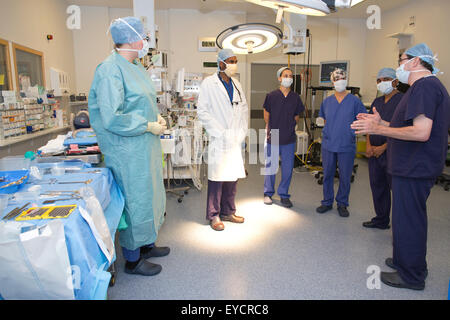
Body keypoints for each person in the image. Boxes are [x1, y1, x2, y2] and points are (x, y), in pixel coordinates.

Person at [351, 43, 450, 290]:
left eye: (401, 60)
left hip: (415, 167)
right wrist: (382, 120)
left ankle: (412, 276)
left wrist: (378, 129)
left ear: (415, 62)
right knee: (406, 218)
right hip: (412, 166)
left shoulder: (425, 87)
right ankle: (405, 261)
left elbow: (421, 132)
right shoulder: (421, 89)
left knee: (409, 220)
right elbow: (406, 126)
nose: (399, 66)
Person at [88, 17, 169, 276]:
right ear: (134, 39)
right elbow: (112, 116)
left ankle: (146, 245)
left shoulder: (136, 66)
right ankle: (133, 260)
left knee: (150, 195)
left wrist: (155, 118)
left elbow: (142, 103)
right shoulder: (110, 69)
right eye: (145, 37)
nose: (147, 41)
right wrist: (146, 125)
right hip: (127, 149)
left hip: (144, 146)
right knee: (135, 200)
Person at [197, 48, 248, 231]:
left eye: (235, 61)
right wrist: (219, 132)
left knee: (232, 178)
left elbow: (243, 109)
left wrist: (242, 132)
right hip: (219, 139)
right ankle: (214, 215)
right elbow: (202, 111)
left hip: (234, 139)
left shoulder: (236, 84)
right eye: (231, 61)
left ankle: (228, 211)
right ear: (221, 63)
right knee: (217, 179)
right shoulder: (209, 84)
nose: (234, 64)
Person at [316, 68, 367, 217]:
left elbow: (363, 119)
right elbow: (324, 121)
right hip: (329, 144)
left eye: (343, 77)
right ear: (332, 82)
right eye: (337, 78)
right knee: (328, 175)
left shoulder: (354, 101)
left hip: (346, 144)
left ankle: (342, 203)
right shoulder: (327, 102)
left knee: (345, 176)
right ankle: (327, 202)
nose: (340, 80)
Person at [362, 68, 403, 230]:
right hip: (374, 153)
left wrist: (384, 147)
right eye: (378, 80)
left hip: (393, 153)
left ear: (395, 81)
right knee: (378, 186)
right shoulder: (377, 103)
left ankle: (401, 226)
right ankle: (381, 219)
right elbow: (369, 125)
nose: (381, 83)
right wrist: (369, 145)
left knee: (398, 191)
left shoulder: (403, 101)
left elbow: (403, 129)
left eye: (385, 79)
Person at [263, 67, 305, 208]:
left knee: (287, 169)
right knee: (271, 167)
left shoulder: (295, 97)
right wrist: (270, 128)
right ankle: (268, 193)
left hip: (289, 137)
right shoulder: (271, 96)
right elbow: (266, 114)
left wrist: (290, 125)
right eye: (285, 75)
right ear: (279, 78)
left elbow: (297, 116)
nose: (288, 78)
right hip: (274, 134)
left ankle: (284, 194)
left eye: (290, 76)